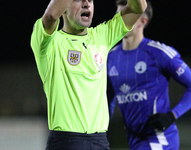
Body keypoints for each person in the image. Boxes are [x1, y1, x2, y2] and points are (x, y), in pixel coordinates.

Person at [30, 0, 147, 149]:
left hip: (100, 142)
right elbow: (51, 16)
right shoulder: (49, 43)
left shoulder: (102, 36)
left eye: (90, 0)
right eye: (78, 0)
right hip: (66, 142)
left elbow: (139, 7)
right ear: (63, 8)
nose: (86, 4)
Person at [107, 0, 191, 149]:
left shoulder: (159, 53)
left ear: (142, 21)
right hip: (134, 140)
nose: (119, 20)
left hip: (160, 138)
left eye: (125, 15)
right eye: (117, 15)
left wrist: (172, 116)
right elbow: (109, 98)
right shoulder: (110, 57)